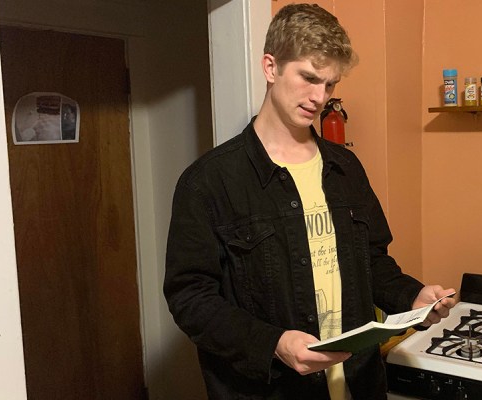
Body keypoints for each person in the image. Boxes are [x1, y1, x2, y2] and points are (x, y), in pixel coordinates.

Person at [163, 4, 456, 399]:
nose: (319, 98)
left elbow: (372, 262)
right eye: (308, 78)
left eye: (330, 85)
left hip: (358, 383)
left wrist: (411, 296)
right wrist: (274, 344)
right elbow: (191, 299)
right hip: (272, 390)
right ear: (271, 67)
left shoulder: (345, 168)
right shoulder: (208, 182)